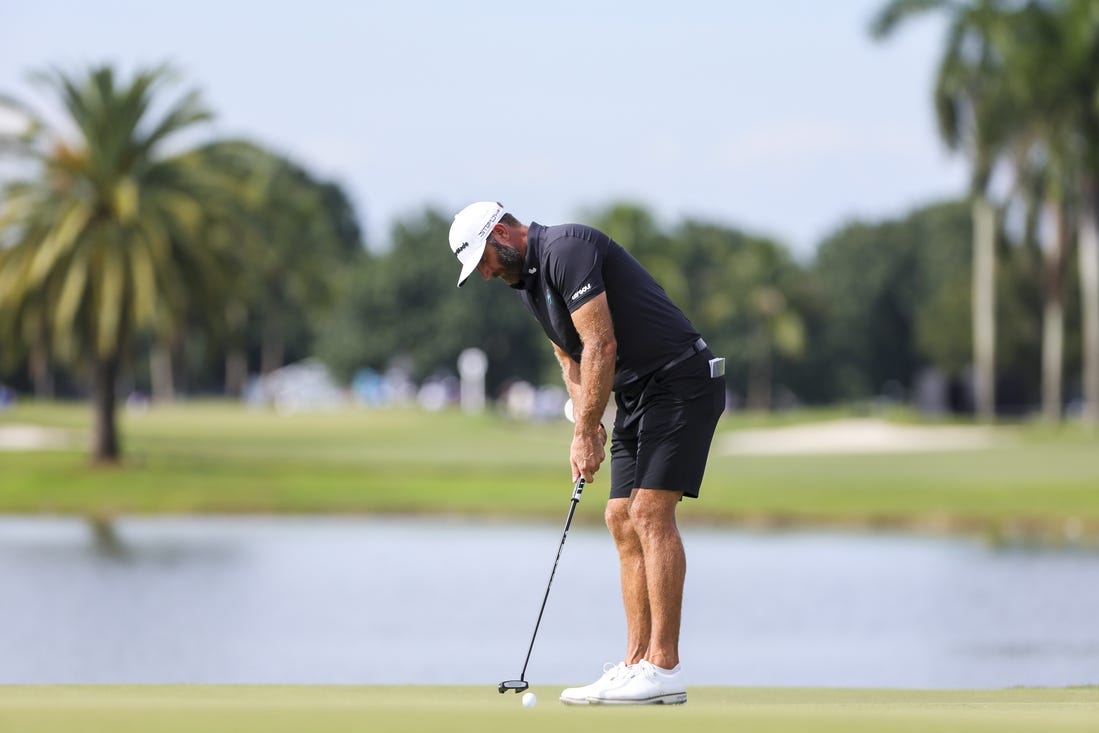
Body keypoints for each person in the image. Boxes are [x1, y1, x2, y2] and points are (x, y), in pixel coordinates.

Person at [449, 201, 726, 706]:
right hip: (640, 394)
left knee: (648, 512)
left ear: (502, 234)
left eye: (484, 261)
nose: (486, 274)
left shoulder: (565, 249)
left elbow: (600, 343)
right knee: (620, 516)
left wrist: (584, 433)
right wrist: (588, 424)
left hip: (682, 380)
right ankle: (636, 664)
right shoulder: (529, 287)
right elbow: (570, 358)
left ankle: (664, 667)